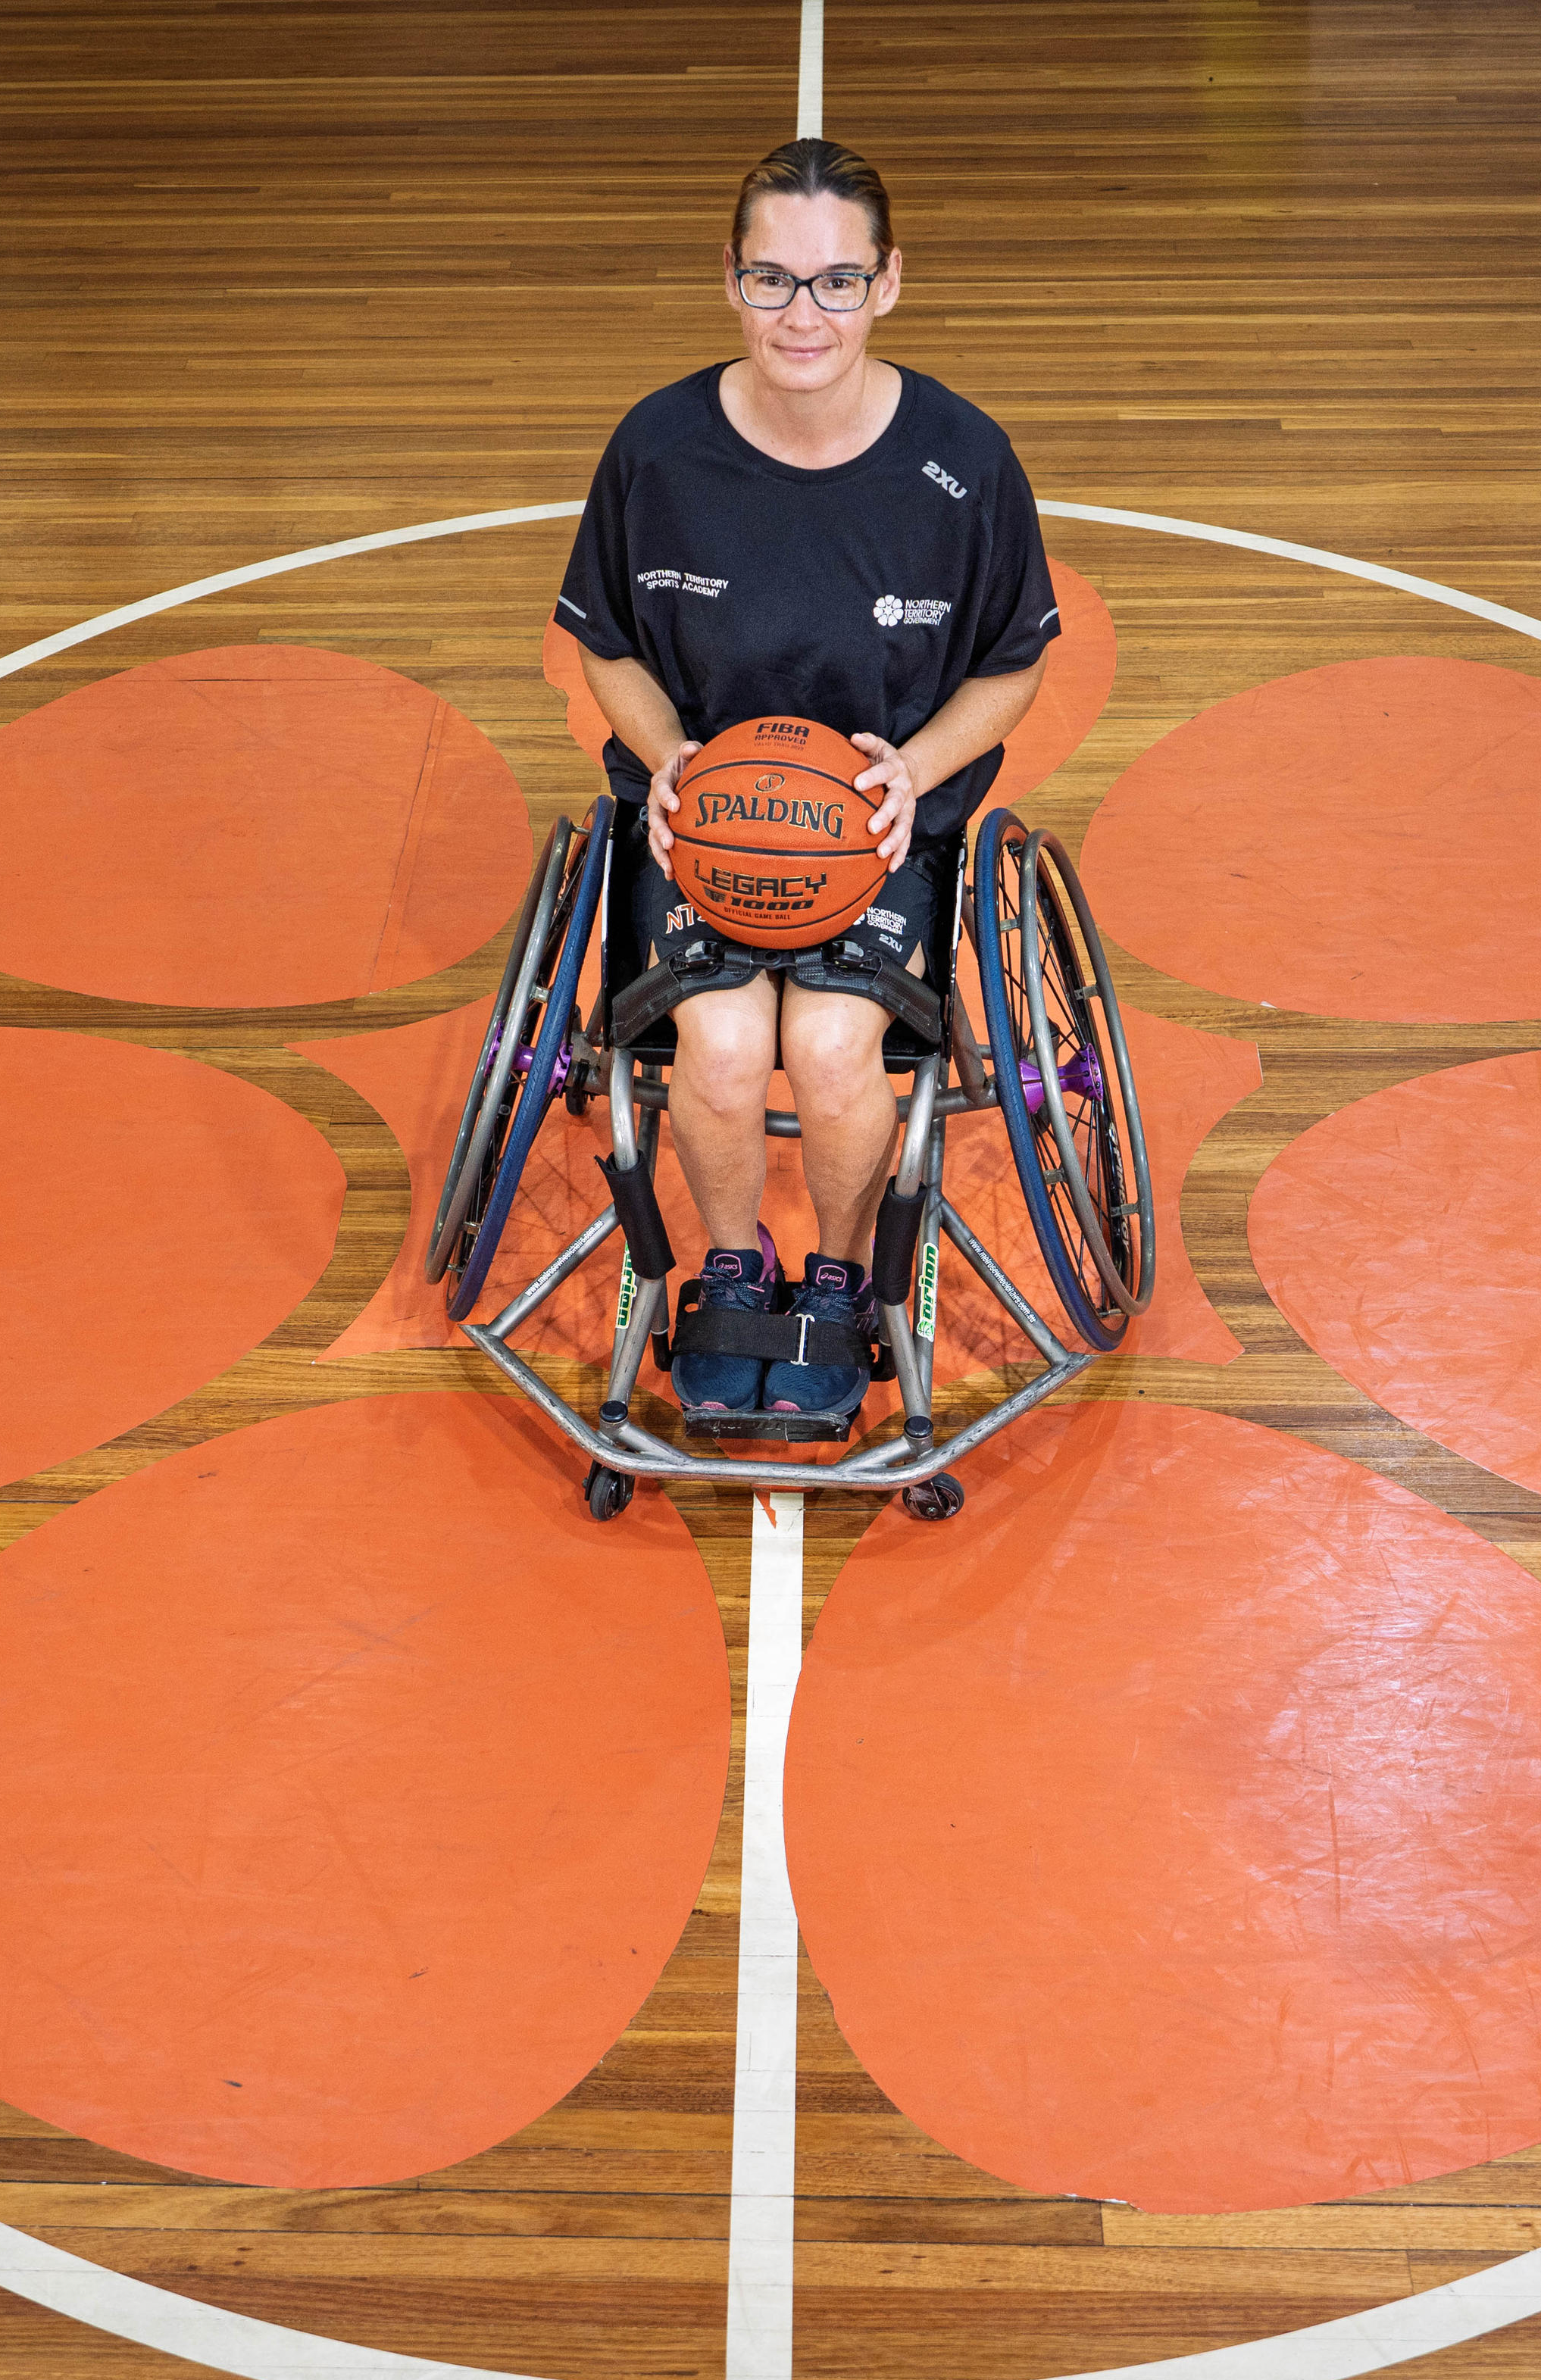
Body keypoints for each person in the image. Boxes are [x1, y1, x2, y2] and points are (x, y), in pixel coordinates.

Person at [555, 136, 1059, 1425]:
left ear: (890, 284)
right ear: (730, 280)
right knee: (720, 1044)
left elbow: (1010, 671)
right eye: (774, 280)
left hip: (882, 831)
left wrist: (917, 769)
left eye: (837, 283)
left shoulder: (965, 463)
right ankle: (732, 1266)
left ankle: (838, 1282)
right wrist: (669, 758)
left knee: (836, 1045)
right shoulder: (658, 451)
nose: (804, 315)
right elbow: (606, 645)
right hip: (701, 822)